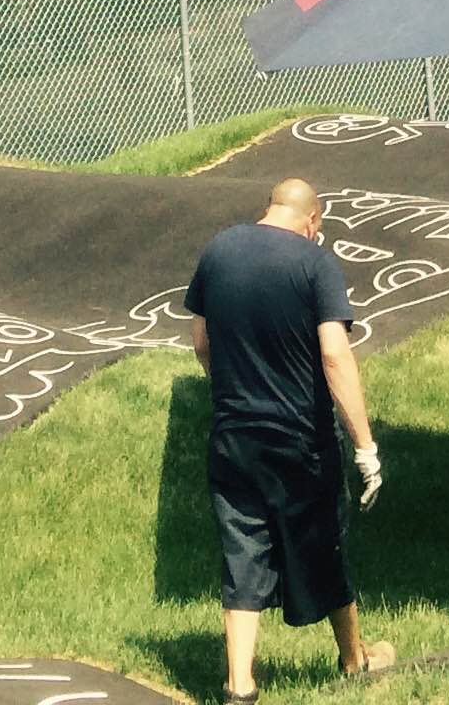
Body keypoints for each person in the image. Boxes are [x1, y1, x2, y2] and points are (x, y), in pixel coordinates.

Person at [184, 173, 393, 698]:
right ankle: (353, 660)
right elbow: (333, 354)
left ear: (270, 206)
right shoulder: (316, 261)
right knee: (323, 540)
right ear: (313, 220)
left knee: (242, 551)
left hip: (234, 435)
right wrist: (365, 446)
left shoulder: (219, 249)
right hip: (302, 438)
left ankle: (239, 684)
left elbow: (201, 342)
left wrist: (229, 392)